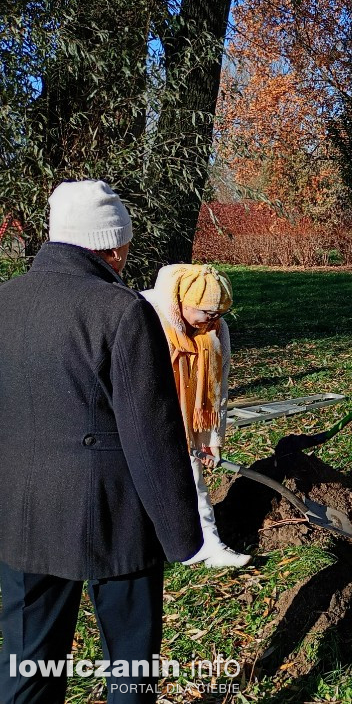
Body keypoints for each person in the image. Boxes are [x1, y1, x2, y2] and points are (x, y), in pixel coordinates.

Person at [0, 180, 201, 703]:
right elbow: (152, 435)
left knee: (26, 665)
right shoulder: (121, 310)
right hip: (112, 520)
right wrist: (183, 534)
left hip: (21, 517)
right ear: (111, 244)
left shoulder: (5, 301)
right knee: (129, 665)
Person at [142, 264, 250, 568]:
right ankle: (148, 546)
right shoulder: (145, 314)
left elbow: (218, 385)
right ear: (181, 302)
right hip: (143, 412)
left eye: (218, 314)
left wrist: (211, 437)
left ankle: (208, 545)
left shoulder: (216, 330)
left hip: (190, 420)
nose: (211, 321)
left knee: (192, 476)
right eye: (205, 313)